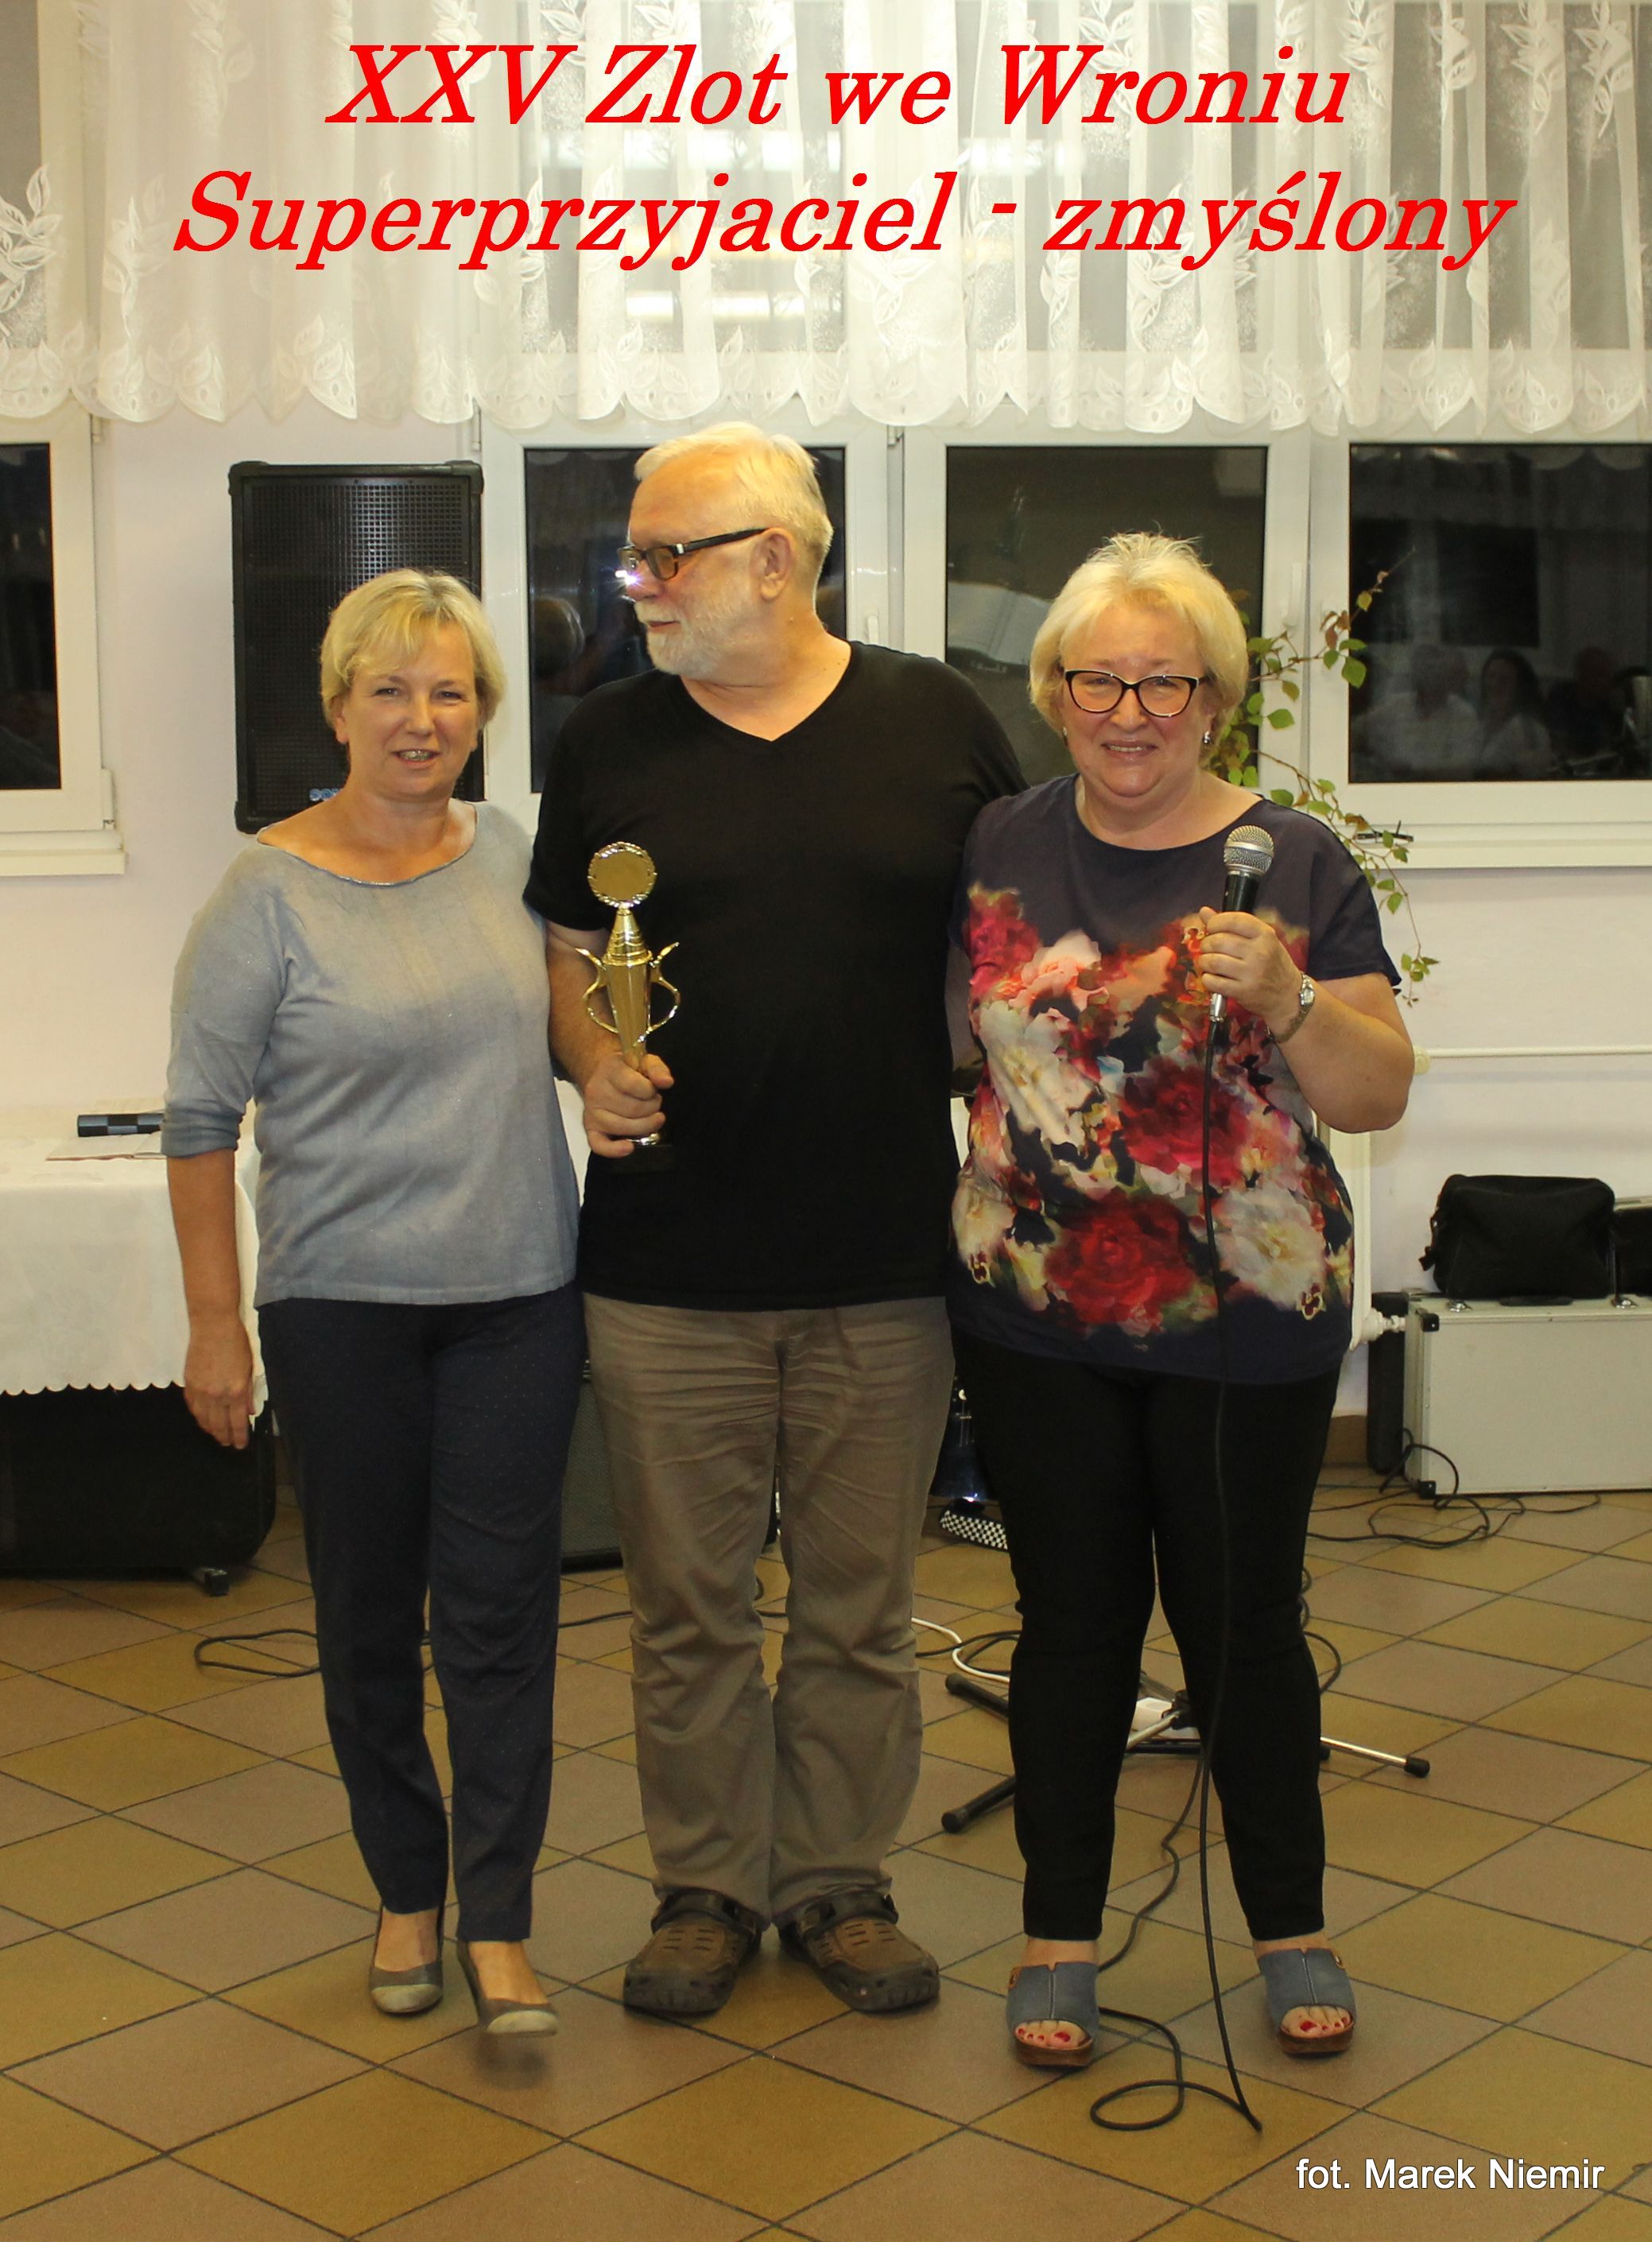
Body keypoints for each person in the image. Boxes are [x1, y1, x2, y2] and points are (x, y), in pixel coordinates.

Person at [529, 425, 1022, 2018]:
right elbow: (567, 956)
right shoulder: (607, 738)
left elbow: (1012, 947)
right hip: (665, 1264)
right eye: (637, 558)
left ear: (774, 558)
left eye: (664, 556)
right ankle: (704, 1890)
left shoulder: (937, 722)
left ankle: (834, 1884)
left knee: (859, 1613)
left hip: (884, 1260)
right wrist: (591, 1059)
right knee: (685, 1612)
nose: (639, 586)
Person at [948, 533, 1413, 2069]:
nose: (1128, 713)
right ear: (1053, 691)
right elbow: (964, 1043)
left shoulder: (1295, 859)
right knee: (1069, 1626)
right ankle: (1056, 1938)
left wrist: (1290, 996)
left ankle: (1287, 1927)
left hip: (1245, 1323)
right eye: (1098, 681)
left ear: (1212, 700)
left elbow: (1373, 1092)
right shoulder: (998, 841)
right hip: (1037, 1312)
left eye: (1164, 684)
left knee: (1241, 1630)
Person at [165, 570, 582, 2035]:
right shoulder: (265, 893)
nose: (421, 719)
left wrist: (624, 1070)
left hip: (518, 1299)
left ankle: (501, 1920)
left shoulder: (514, 855)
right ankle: (408, 1891)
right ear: (338, 708)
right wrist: (215, 1326)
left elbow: (576, 1031)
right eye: (390, 690)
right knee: (363, 1619)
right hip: (338, 1309)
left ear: (483, 713)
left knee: (501, 1624)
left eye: (450, 691)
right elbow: (198, 1124)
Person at [1476, 649, 1553, 779]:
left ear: (1519, 686)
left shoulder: (1528, 729)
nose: (1495, 684)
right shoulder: (1480, 722)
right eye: (1491, 676)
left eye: (1504, 679)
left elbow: (1532, 781)